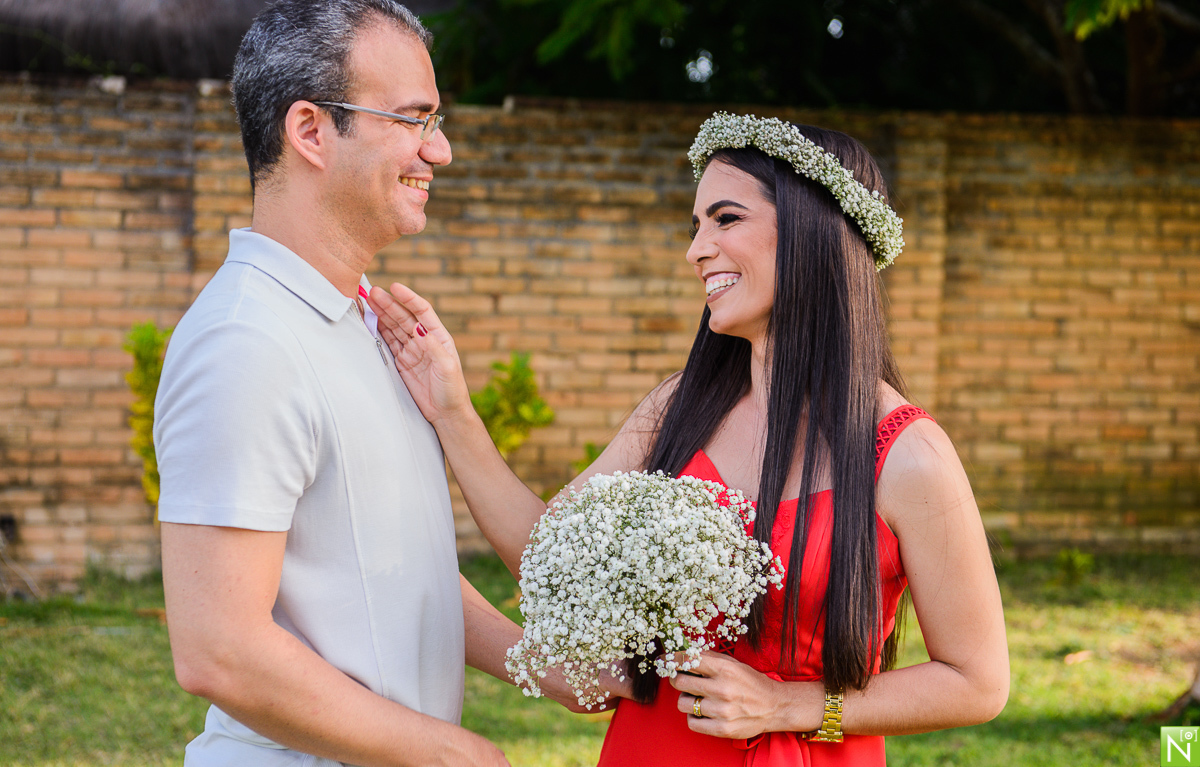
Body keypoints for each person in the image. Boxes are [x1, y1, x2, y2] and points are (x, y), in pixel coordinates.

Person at [367, 112, 1010, 765]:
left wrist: (787, 704)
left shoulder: (907, 455)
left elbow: (977, 681)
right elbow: (548, 558)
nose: (696, 248)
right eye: (695, 225)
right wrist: (453, 411)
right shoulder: (678, 407)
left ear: (814, 234)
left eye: (725, 219)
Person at [154, 2, 590, 765]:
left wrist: (547, 666)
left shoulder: (365, 321)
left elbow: (387, 563)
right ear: (311, 131)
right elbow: (219, 648)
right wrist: (456, 753)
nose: (442, 150)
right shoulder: (245, 342)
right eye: (414, 120)